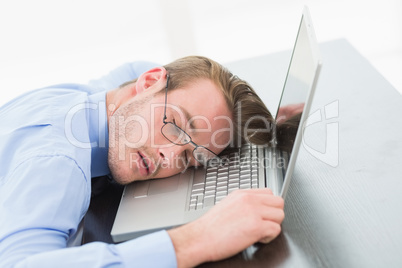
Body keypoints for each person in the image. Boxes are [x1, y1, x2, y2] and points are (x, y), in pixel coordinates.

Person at [0, 56, 285, 267]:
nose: (169, 157)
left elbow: (136, 68)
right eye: (175, 126)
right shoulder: (59, 162)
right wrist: (198, 238)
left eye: (189, 157)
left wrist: (247, 125)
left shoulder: (93, 99)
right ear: (148, 83)